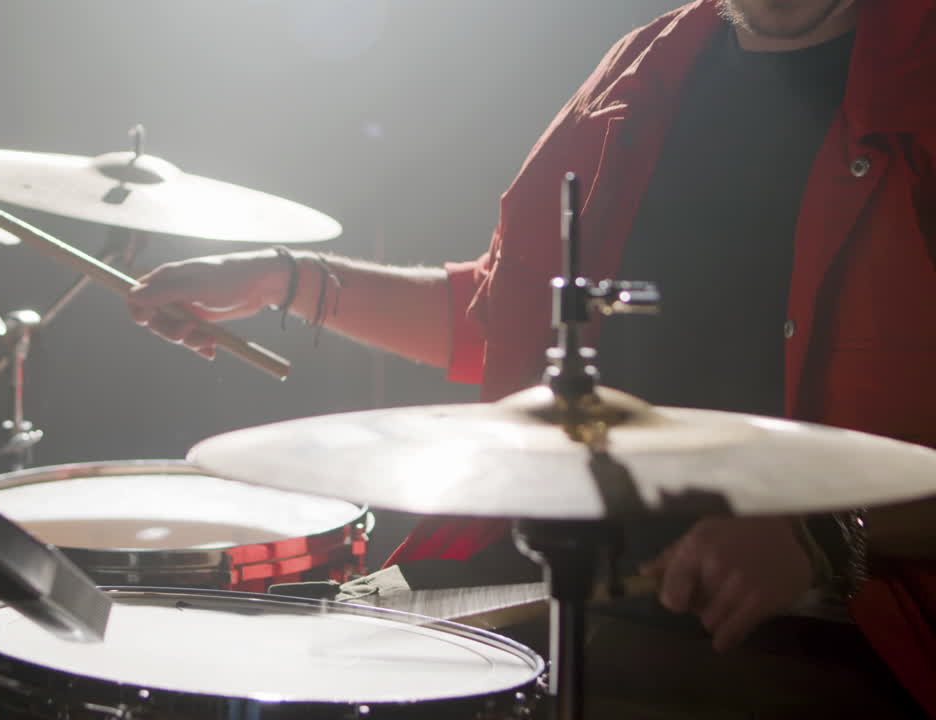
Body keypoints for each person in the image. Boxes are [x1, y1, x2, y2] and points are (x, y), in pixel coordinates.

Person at [128, 0, 935, 715]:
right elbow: (515, 330)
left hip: (828, 637)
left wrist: (823, 538)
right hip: (564, 585)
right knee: (287, 661)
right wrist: (285, 280)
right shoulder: (648, 70)